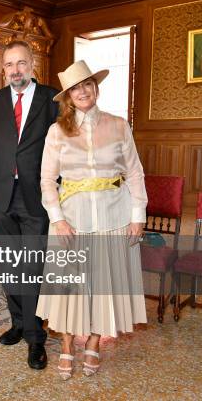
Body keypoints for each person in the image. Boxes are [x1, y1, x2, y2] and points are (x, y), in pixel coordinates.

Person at [35, 60, 147, 380]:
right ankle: (69, 345)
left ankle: (94, 342)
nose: (82, 91)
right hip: (72, 219)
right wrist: (57, 220)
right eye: (75, 88)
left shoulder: (118, 125)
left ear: (95, 88)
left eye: (87, 85)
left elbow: (135, 173)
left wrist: (137, 216)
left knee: (104, 284)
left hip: (115, 214)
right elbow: (46, 180)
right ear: (68, 97)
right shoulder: (57, 132)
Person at [0, 41, 59, 369]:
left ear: (32, 64)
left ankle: (35, 338)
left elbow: (62, 147)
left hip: (36, 196)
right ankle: (17, 323)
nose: (15, 70)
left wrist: (59, 190)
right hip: (0, 195)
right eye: (9, 64)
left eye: (21, 63)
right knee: (9, 263)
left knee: (33, 267)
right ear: (3, 68)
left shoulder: (51, 99)